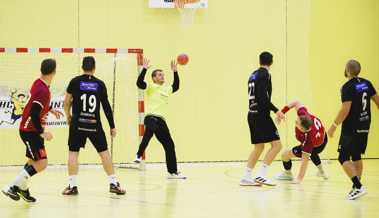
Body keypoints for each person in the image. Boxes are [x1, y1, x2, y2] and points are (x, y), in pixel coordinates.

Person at [62, 56, 125, 195]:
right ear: (94, 68)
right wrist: (112, 126)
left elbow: (66, 102)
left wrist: (68, 116)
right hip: (94, 124)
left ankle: (72, 186)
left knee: (73, 153)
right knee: (104, 153)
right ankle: (113, 183)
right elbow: (107, 107)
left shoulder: (75, 81)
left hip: (77, 124)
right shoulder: (100, 84)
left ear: (82, 67)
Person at [2, 59, 62, 202]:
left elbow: (33, 105)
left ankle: (23, 189)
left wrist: (50, 109)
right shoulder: (43, 90)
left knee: (32, 161)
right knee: (42, 163)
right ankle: (12, 187)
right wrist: (42, 132)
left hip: (29, 129)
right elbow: (34, 113)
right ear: (54, 72)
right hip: (31, 131)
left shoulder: (38, 83)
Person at [327, 59, 379, 200]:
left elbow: (345, 109)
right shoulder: (366, 83)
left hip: (351, 127)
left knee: (342, 157)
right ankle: (357, 187)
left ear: (347, 70)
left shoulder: (347, 87)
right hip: (365, 125)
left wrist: (333, 125)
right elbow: (377, 101)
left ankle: (359, 186)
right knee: (356, 155)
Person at [134, 58, 186, 179]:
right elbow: (139, 83)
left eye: (163, 75)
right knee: (149, 132)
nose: (162, 76)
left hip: (162, 121)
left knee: (169, 145)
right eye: (159, 75)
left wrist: (175, 71)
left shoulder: (166, 89)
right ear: (154, 78)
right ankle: (138, 155)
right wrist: (144, 69)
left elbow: (176, 86)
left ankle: (172, 172)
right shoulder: (151, 86)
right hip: (151, 117)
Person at [240, 51, 283, 186]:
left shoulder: (253, 75)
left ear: (260, 61)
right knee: (277, 145)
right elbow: (263, 98)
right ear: (271, 62)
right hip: (261, 115)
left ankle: (246, 177)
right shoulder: (265, 75)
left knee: (259, 147)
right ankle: (261, 174)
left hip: (251, 114)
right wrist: (277, 111)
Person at [276, 100, 328, 183]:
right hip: (323, 138)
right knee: (312, 152)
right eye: (297, 119)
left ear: (303, 129)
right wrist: (282, 112)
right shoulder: (302, 114)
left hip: (318, 144)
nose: (295, 121)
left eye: (297, 123)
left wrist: (299, 179)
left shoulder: (308, 140)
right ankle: (322, 172)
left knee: (284, 155)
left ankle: (288, 174)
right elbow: (296, 102)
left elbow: (304, 161)